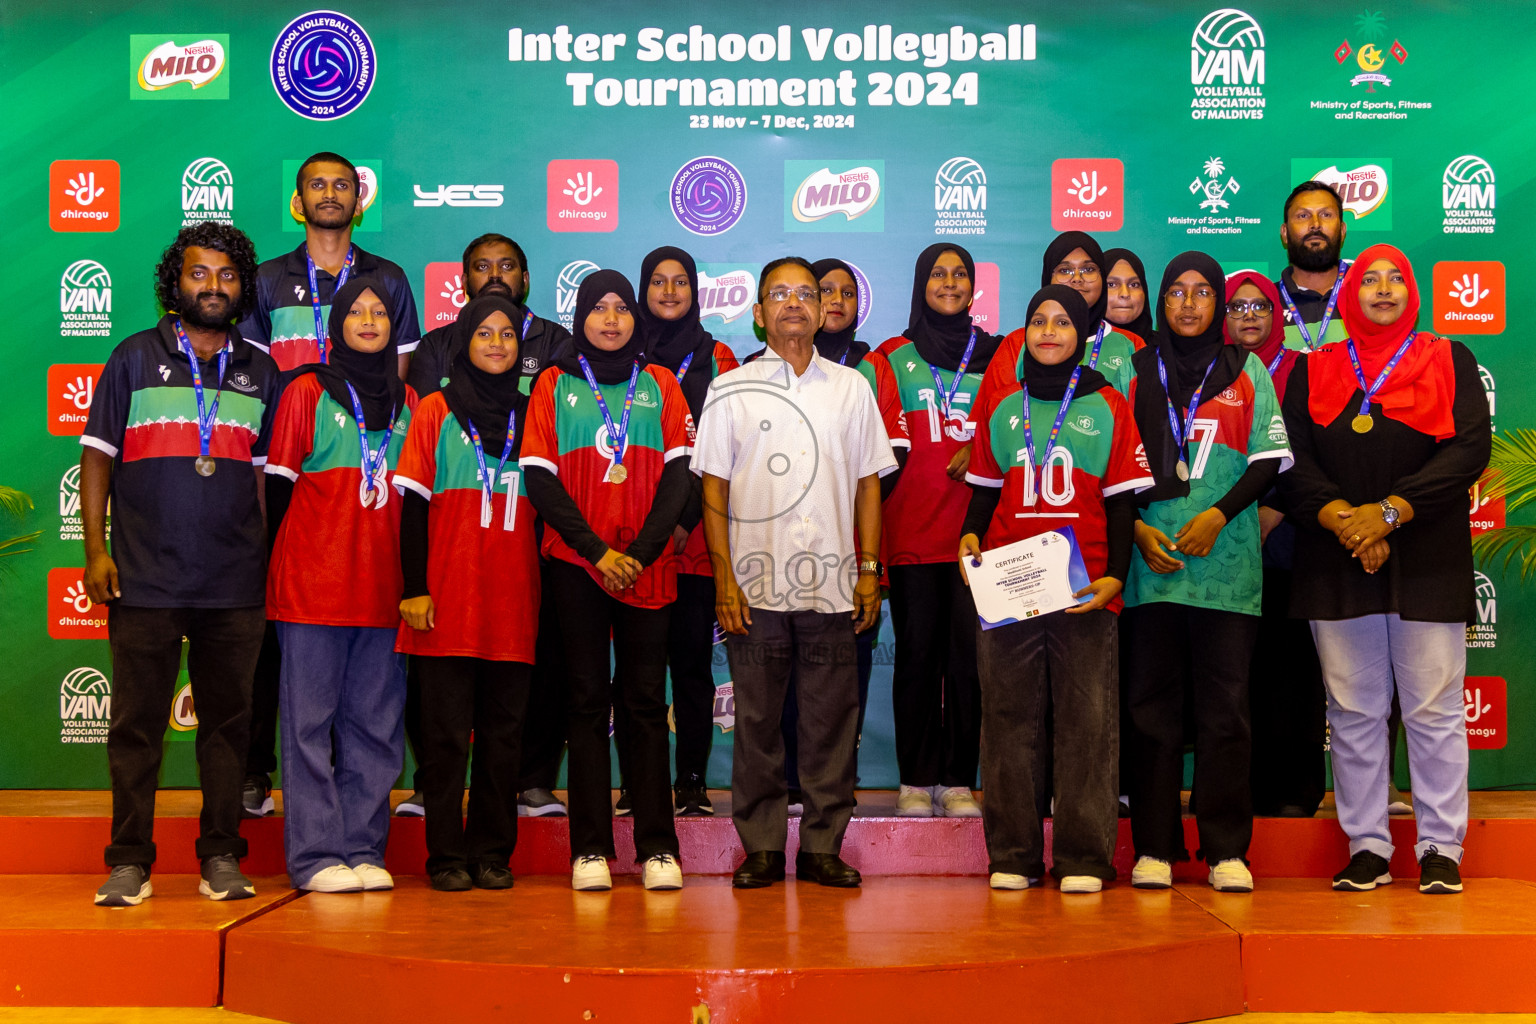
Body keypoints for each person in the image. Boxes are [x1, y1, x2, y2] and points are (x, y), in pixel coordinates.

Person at [1278, 245, 1489, 895]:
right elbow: (1294, 462)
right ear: (1348, 294)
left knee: (1433, 708)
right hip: (1338, 557)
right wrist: (1348, 518)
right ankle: (1367, 843)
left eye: (1396, 277)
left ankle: (1439, 846)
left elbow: (1468, 451)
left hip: (1426, 555)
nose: (1384, 289)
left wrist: (1390, 514)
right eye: (1369, 279)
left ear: (1412, 291)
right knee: (1353, 710)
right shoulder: (1314, 370)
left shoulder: (1448, 359)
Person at [82, 224, 277, 907]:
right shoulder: (134, 357)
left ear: (242, 288)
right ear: (176, 283)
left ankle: (221, 854)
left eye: (227, 277)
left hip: (234, 585)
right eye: (200, 274)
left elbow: (263, 480)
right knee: (136, 728)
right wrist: (96, 550)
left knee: (228, 730)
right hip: (145, 578)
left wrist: (265, 558)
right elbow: (98, 455)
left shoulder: (261, 369)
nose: (214, 287)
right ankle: (129, 861)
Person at [693, 257, 898, 890]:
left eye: (804, 294)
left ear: (822, 309)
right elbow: (713, 490)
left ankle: (820, 848)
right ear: (758, 312)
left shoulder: (852, 387)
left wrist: (868, 571)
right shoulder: (730, 388)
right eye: (777, 295)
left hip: (834, 586)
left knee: (830, 725)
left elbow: (869, 485)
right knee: (756, 724)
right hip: (754, 590)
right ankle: (760, 847)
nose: (792, 304)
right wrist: (725, 580)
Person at [238, 151, 422, 821]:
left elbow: (402, 380)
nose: (329, 194)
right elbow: (254, 382)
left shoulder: (389, 281)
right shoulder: (264, 281)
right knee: (279, 634)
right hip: (282, 459)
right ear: (297, 199)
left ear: (359, 199)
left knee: (367, 686)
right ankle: (259, 775)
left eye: (342, 184)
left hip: (364, 471)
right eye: (317, 184)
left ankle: (357, 819)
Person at [961, 285, 1151, 892]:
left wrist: (1116, 575)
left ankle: (1083, 857)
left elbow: (1123, 505)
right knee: (1008, 720)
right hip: (1009, 586)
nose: (1049, 331)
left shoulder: (1110, 404)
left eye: (1062, 322)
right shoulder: (1004, 407)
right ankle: (1013, 853)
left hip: (1084, 587)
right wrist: (969, 536)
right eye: (1037, 320)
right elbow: (985, 491)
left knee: (1087, 723)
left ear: (1082, 333)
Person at [1122, 252, 1292, 894]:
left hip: (1226, 569)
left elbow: (1270, 459)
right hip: (1151, 566)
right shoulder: (1133, 368)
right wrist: (1138, 528)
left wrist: (1218, 516)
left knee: (1225, 714)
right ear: (1161, 303)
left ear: (1218, 304)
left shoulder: (1247, 370)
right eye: (1176, 293)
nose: (1189, 304)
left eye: (1202, 293)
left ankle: (1226, 849)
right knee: (1151, 713)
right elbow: (1110, 464)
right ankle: (1156, 848)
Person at [520, 270, 693, 892]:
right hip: (577, 567)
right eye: (600, 308)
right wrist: (596, 552)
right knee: (586, 703)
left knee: (646, 705)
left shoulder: (662, 384)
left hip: (646, 567)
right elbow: (539, 477)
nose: (613, 319)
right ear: (581, 317)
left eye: (622, 307)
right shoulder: (554, 383)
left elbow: (680, 476)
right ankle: (589, 849)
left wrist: (640, 554)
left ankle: (657, 848)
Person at [397, 233, 572, 821]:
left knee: (517, 704)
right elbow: (419, 486)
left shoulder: (553, 353)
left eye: (508, 266)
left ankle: (525, 793)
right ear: (463, 282)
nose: (495, 274)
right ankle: (437, 810)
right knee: (441, 708)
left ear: (526, 279)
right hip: (450, 562)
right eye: (481, 266)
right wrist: (414, 582)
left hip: (525, 562)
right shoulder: (434, 373)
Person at [265, 277, 417, 893]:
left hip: (384, 591)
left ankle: (362, 848)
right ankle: (315, 856)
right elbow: (276, 490)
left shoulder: (411, 401)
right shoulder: (306, 389)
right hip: (312, 587)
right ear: (336, 323)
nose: (370, 320)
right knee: (307, 726)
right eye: (357, 311)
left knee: (376, 727)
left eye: (380, 312)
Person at [395, 295, 539, 892]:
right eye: (484, 333)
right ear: (463, 342)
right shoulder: (434, 410)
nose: (498, 343)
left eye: (508, 333)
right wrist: (415, 589)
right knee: (446, 740)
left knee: (504, 739)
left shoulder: (537, 413)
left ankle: (491, 852)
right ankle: (446, 856)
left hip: (513, 599)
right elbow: (411, 505)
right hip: (446, 600)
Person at [779, 257, 909, 814]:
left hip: (850, 551)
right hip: (778, 556)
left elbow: (888, 460)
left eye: (845, 292)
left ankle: (836, 785)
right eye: (821, 290)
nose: (833, 301)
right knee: (779, 677)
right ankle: (786, 782)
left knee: (841, 680)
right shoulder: (758, 371)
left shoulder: (872, 370)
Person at [876, 243, 1001, 818]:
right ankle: (913, 778)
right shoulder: (891, 356)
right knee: (917, 658)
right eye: (938, 273)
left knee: (968, 663)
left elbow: (1022, 421)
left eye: (959, 275)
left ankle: (956, 781)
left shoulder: (1001, 356)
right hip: (911, 532)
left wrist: (976, 447)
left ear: (973, 287)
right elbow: (872, 447)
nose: (949, 283)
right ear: (920, 283)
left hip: (981, 535)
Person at [1224, 271, 1326, 817]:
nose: (1248, 315)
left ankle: (1294, 790)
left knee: (1293, 670)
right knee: (1238, 673)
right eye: (1236, 306)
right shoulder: (1207, 371)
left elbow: (1312, 449)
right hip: (1223, 539)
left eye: (1260, 305)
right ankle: (1241, 789)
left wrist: (1275, 508)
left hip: (1291, 541)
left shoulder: (1305, 370)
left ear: (1277, 315)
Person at [986, 233, 1145, 401]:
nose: (1077, 279)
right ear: (1049, 277)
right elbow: (991, 413)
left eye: (1088, 269)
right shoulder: (1017, 343)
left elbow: (1138, 419)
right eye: (1065, 270)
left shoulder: (1132, 345)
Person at [1276, 181, 1352, 352]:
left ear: (1342, 230)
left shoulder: (1366, 297)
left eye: (1326, 215)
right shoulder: (1266, 304)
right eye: (1303, 216)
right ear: (1285, 233)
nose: (1315, 224)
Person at [1102, 247, 1155, 346]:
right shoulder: (1077, 347)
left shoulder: (1167, 350)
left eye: (1134, 285)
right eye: (1111, 285)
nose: (1125, 294)